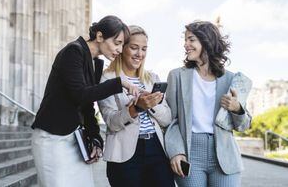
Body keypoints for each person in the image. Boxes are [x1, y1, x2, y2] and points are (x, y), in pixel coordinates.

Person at [31, 15, 140, 187]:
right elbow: (80, 95)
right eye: (117, 43)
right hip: (52, 138)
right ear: (99, 36)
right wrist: (119, 83)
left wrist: (95, 138)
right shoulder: (73, 51)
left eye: (122, 45)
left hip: (75, 141)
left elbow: (88, 105)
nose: (119, 50)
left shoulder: (96, 64)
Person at [165, 21, 252, 187]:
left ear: (206, 41)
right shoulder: (177, 76)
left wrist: (237, 109)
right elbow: (171, 121)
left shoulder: (231, 79)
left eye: (191, 40)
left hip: (224, 155)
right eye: (185, 40)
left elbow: (243, 125)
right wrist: (175, 151)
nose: (186, 45)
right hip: (190, 153)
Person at [98, 25, 175, 187]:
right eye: (134, 48)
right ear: (122, 48)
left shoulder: (152, 78)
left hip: (156, 149)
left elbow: (167, 119)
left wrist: (150, 104)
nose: (139, 54)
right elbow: (111, 122)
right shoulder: (107, 79)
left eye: (144, 49)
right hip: (124, 153)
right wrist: (135, 108)